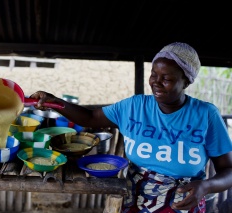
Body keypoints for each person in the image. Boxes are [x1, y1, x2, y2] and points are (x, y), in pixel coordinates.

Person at [30, 42, 232, 213]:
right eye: (154, 74)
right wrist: (54, 102)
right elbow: (90, 117)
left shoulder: (205, 115)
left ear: (186, 82)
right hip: (133, 202)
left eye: (167, 79)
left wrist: (205, 186)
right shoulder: (134, 107)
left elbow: (228, 170)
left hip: (183, 204)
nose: (156, 83)